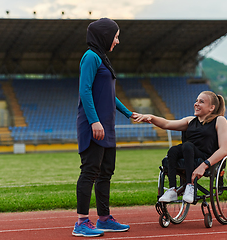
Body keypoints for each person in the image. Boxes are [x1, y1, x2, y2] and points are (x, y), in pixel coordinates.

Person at [73, 18, 141, 237]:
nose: (118, 41)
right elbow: (85, 90)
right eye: (116, 36)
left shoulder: (102, 58)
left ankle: (104, 219)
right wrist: (94, 121)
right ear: (105, 35)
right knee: (90, 171)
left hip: (107, 127)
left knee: (106, 173)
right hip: (94, 126)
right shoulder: (91, 56)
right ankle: (81, 222)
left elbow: (110, 96)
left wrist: (129, 114)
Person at [135, 91, 227, 203]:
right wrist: (150, 117)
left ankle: (190, 186)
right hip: (189, 153)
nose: (196, 104)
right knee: (173, 150)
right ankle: (172, 190)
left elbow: (224, 149)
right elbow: (166, 124)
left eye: (201, 102)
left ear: (211, 108)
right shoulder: (190, 120)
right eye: (196, 101)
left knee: (188, 146)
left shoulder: (219, 120)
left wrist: (204, 166)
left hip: (206, 157)